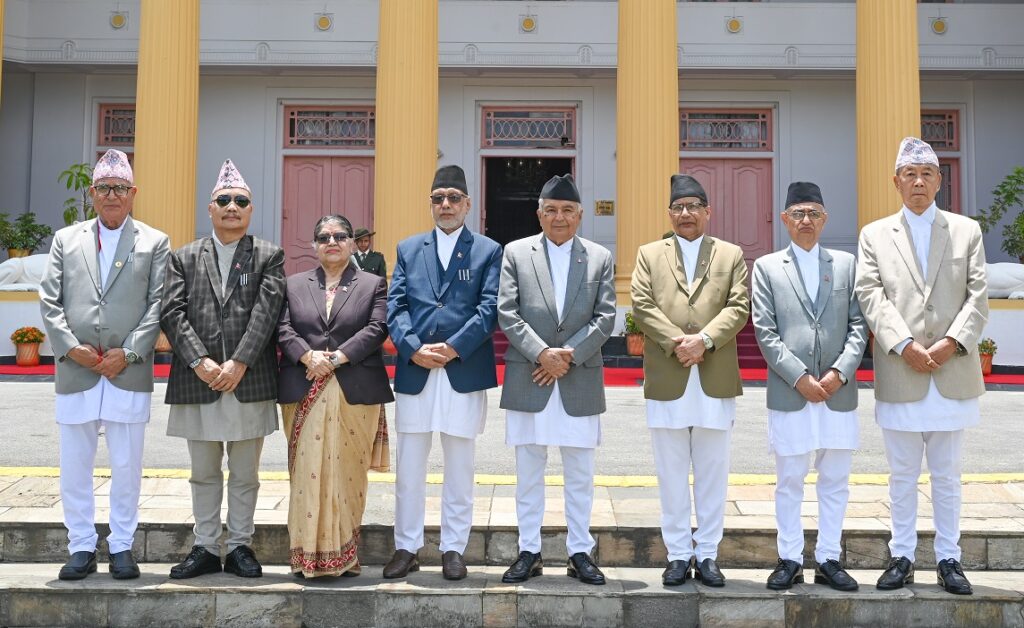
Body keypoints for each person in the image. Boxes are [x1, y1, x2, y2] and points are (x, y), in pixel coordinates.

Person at [855, 137, 988, 595]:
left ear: (939, 180)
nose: (917, 182)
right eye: (909, 174)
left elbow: (977, 296)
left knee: (948, 474)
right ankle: (903, 556)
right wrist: (902, 344)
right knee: (902, 474)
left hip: (951, 371)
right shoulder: (874, 234)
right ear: (896, 182)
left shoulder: (965, 231)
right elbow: (870, 294)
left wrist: (952, 342)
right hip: (902, 369)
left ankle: (950, 558)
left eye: (926, 173)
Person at [39, 149, 170, 581]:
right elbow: (50, 299)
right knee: (75, 463)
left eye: (119, 188)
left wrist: (129, 352)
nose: (111, 195)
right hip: (77, 367)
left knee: (127, 465)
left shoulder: (154, 241)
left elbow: (158, 304)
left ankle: (121, 546)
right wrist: (69, 346)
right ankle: (79, 546)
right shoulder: (66, 239)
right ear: (92, 194)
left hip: (126, 370)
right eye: (103, 188)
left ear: (133, 194)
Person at [160, 159, 286, 579]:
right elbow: (172, 312)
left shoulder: (269, 254)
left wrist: (240, 361)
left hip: (249, 380)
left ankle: (239, 547)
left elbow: (267, 314)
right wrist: (200, 361)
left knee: (246, 473)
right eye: (224, 200)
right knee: (203, 472)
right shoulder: (183, 257)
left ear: (250, 211)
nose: (232, 207)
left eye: (241, 201)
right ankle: (204, 546)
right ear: (210, 209)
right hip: (199, 381)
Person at [630, 174, 749, 588]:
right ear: (669, 213)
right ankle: (678, 555)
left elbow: (739, 305)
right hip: (668, 373)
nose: (686, 214)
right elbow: (641, 304)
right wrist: (677, 343)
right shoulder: (649, 254)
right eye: (679, 207)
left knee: (714, 472)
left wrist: (705, 341)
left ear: (708, 212)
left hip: (713, 375)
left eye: (694, 206)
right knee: (671, 472)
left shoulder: (730, 254)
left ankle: (710, 555)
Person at [383, 164, 501, 581]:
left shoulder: (488, 250)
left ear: (468, 204)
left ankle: (454, 548)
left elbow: (490, 310)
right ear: (430, 204)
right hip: (416, 370)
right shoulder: (409, 248)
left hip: (462, 370)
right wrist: (412, 348)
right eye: (438, 198)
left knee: (460, 467)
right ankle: (407, 546)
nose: (446, 205)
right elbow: (394, 306)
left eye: (454, 197)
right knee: (410, 467)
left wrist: (453, 347)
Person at [496, 174, 616, 586]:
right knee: (528, 471)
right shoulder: (516, 252)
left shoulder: (599, 257)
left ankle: (579, 551)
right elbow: (507, 312)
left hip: (578, 376)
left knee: (580, 473)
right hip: (530, 374)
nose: (559, 217)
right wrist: (543, 354)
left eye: (567, 210)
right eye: (551, 210)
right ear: (539, 214)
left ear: (580, 215)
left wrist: (568, 357)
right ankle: (529, 551)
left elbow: (605, 318)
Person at [751, 181, 868, 591]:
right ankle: (789, 559)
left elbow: (859, 327)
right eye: (798, 213)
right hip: (791, 391)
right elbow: (765, 332)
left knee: (835, 479)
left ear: (825, 219)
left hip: (838, 391)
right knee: (790, 480)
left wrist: (839, 372)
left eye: (813, 213)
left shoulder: (846, 265)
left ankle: (830, 558)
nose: (805, 221)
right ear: (784, 219)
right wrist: (799, 377)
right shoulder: (766, 267)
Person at [276, 214, 393, 578]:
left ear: (351, 242)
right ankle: (305, 557)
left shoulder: (372, 283)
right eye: (324, 236)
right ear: (313, 245)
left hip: (354, 389)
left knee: (347, 474)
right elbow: (282, 327)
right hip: (303, 385)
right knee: (306, 474)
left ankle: (343, 557)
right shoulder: (294, 284)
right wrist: (307, 355)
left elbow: (378, 327)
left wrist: (337, 358)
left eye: (340, 236)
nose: (332, 242)